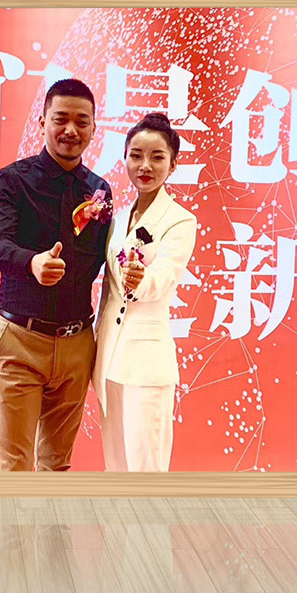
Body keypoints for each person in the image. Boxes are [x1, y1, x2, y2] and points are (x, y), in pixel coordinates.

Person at [0, 78, 112, 471]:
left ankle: (52, 520)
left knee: (57, 465)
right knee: (13, 465)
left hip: (77, 345)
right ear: (43, 122)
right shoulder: (13, 180)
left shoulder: (100, 191)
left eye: (81, 121)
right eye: (61, 119)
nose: (71, 130)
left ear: (93, 128)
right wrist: (32, 263)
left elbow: (101, 258)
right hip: (21, 340)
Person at [93, 112, 197, 471]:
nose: (145, 166)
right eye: (136, 155)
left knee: (147, 469)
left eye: (157, 157)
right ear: (124, 158)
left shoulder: (180, 219)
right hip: (109, 358)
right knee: (116, 466)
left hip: (147, 363)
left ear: (173, 164)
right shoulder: (118, 218)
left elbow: (165, 276)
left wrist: (141, 279)